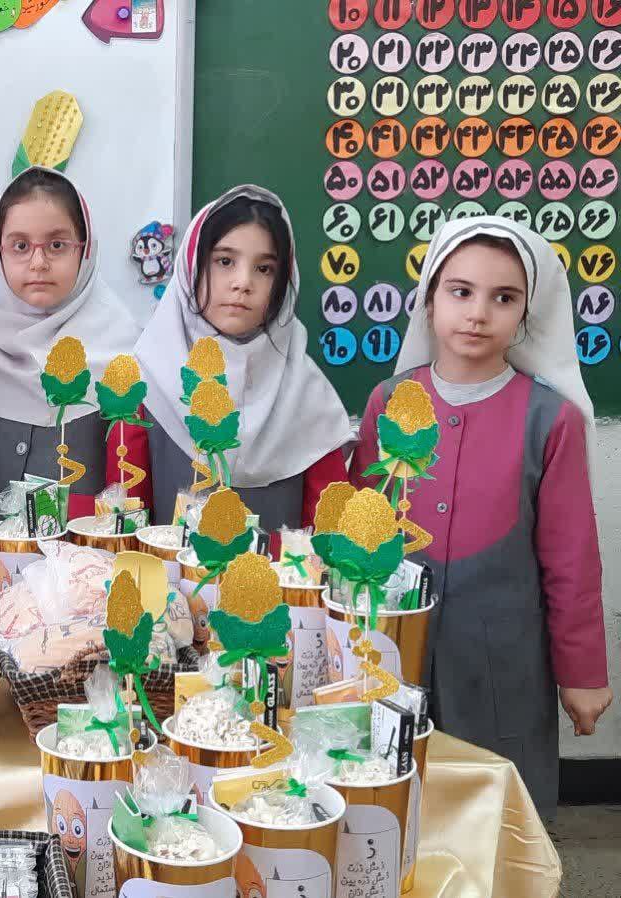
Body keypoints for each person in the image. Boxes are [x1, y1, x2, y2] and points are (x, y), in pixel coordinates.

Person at [351, 216, 612, 817]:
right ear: (430, 300)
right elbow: (358, 529)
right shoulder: (388, 402)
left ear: (526, 314)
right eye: (460, 291)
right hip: (390, 647)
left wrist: (582, 673)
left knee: (494, 809)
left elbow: (572, 559)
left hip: (505, 659)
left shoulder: (552, 419)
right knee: (387, 803)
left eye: (503, 298)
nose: (477, 313)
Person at [134, 186, 352, 531]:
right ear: (191, 266)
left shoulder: (307, 394)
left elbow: (330, 535)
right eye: (224, 262)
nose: (243, 282)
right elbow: (122, 527)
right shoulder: (145, 382)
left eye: (264, 269)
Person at [0, 167, 141, 529]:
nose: (38, 263)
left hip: (90, 556)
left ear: (85, 250)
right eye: (20, 246)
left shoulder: (127, 359)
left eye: (57, 245)